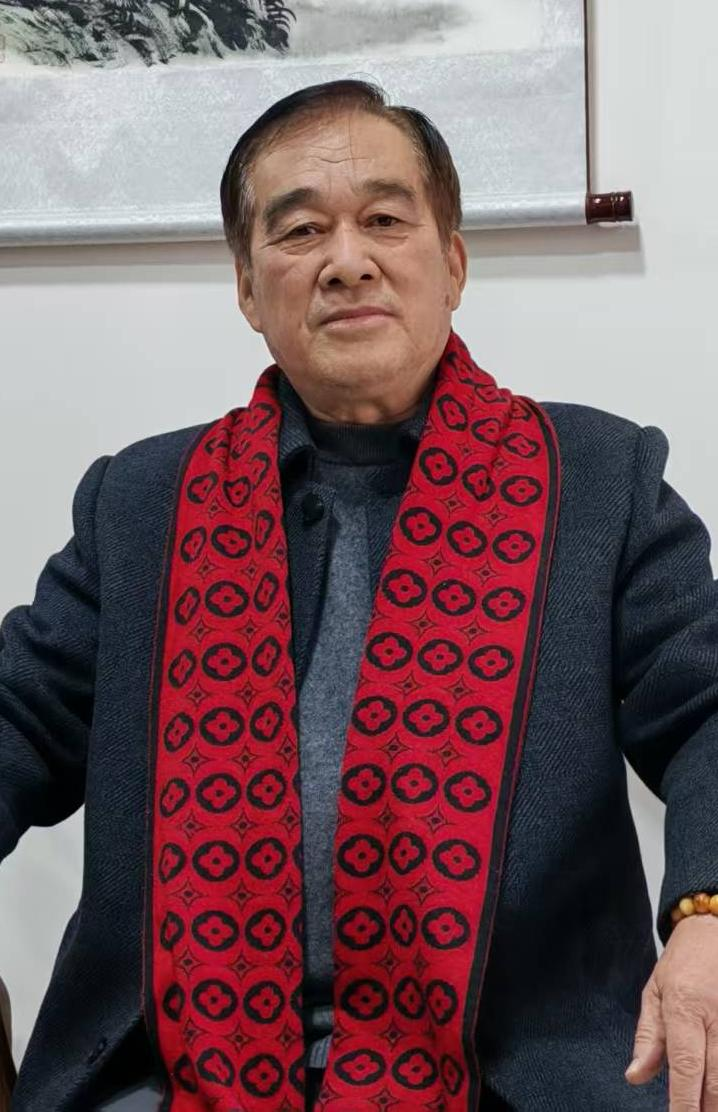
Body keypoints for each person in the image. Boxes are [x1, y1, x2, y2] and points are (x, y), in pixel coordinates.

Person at [2, 77, 717, 1112]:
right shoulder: (144, 502)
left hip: (511, 1071)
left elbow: (706, 710)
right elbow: (20, 718)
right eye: (299, 232)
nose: (346, 261)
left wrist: (705, 912)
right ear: (248, 289)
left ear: (453, 262)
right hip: (172, 1072)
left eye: (385, 219)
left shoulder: (600, 483)